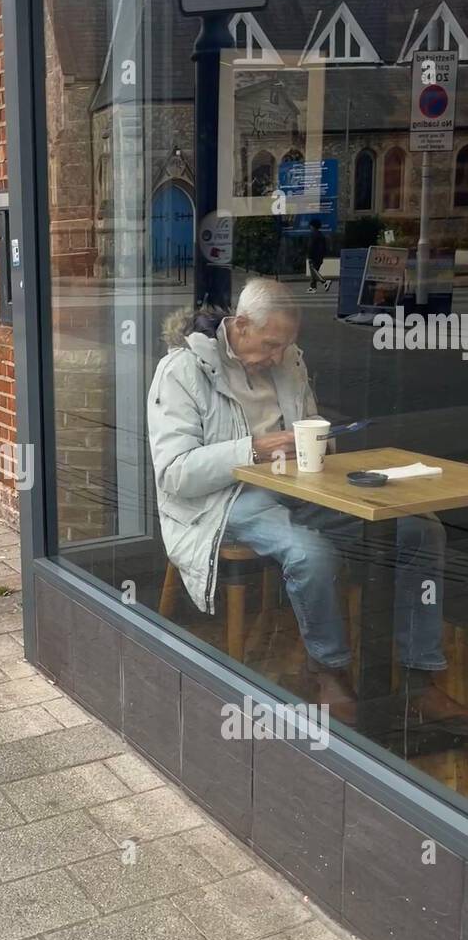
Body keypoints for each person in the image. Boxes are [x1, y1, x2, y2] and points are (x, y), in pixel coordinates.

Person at [147, 279, 467, 730]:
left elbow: (308, 424)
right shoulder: (182, 371)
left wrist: (324, 441)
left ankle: (419, 677)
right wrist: (255, 448)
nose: (279, 356)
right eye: (271, 344)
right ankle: (328, 671)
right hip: (223, 499)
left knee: (420, 530)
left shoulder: (288, 360)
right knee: (310, 552)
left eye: (286, 345)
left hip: (297, 485)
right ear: (239, 326)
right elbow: (175, 474)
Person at [306, 218, 330, 293]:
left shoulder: (313, 235)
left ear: (313, 226)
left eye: (310, 226)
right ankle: (313, 288)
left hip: (313, 257)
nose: (310, 227)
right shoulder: (321, 235)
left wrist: (309, 256)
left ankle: (325, 282)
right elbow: (324, 247)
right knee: (314, 272)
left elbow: (310, 246)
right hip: (320, 257)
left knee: (314, 272)